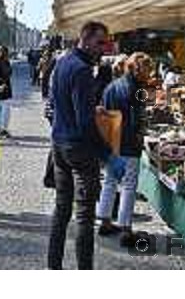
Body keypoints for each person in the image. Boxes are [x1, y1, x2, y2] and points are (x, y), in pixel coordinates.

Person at [48, 21, 125, 270]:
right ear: (85, 39)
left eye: (106, 43)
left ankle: (54, 266)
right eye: (100, 42)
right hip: (79, 148)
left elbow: (58, 104)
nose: (104, 48)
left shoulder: (62, 62)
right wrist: (108, 155)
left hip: (58, 144)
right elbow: (85, 123)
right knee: (84, 216)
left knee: (61, 210)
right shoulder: (81, 69)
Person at [97, 53, 152, 247]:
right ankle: (126, 228)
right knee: (129, 184)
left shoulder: (111, 86)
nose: (150, 74)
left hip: (112, 140)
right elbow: (138, 118)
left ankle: (104, 220)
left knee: (110, 180)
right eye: (148, 70)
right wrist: (141, 134)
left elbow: (102, 112)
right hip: (128, 142)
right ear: (139, 70)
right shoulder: (136, 89)